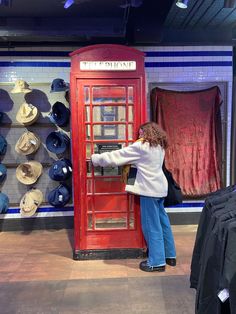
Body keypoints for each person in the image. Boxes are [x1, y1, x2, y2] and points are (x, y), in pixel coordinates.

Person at [91, 122, 176, 272]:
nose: (139, 135)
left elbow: (116, 156)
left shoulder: (141, 146)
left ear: (145, 132)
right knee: (163, 223)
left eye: (140, 132)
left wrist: (95, 158)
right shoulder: (159, 146)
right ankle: (169, 256)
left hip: (149, 190)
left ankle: (156, 262)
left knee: (151, 226)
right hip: (160, 188)